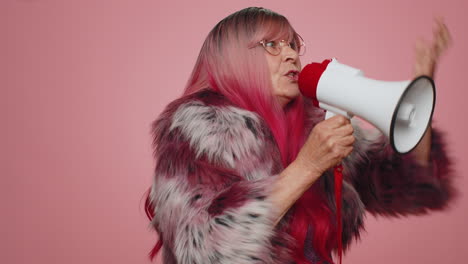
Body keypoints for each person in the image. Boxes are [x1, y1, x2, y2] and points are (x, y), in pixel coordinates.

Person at [144, 7, 455, 264]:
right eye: (272, 45)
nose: (291, 55)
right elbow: (205, 249)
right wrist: (308, 166)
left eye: (293, 44)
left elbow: (400, 182)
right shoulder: (196, 129)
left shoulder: (313, 122)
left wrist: (414, 99)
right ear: (234, 59)